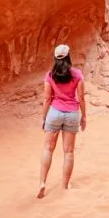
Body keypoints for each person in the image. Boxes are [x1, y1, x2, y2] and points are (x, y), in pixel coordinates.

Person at [37, 43, 86, 198]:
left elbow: (46, 98)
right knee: (69, 151)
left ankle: (42, 183)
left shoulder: (50, 75)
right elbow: (81, 97)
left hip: (55, 112)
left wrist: (44, 117)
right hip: (72, 113)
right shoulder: (77, 74)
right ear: (68, 57)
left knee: (48, 148)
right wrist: (84, 116)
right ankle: (65, 184)